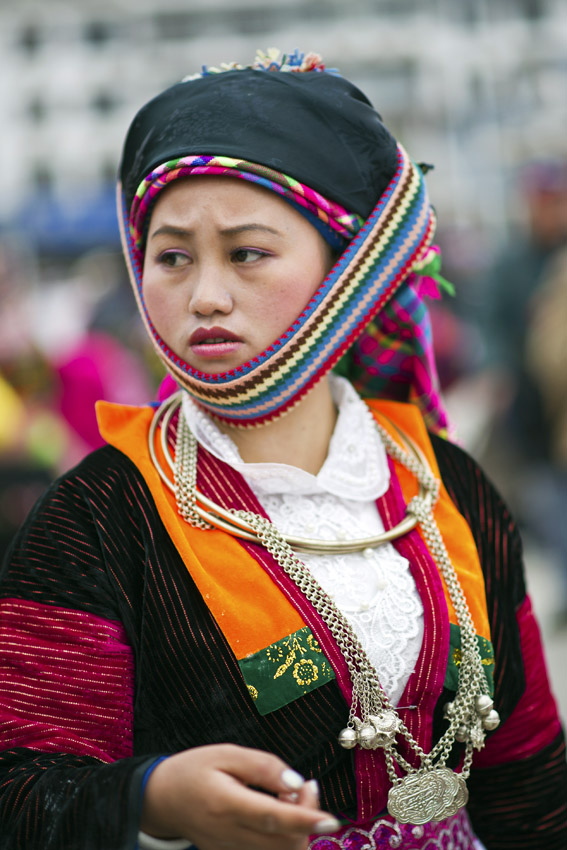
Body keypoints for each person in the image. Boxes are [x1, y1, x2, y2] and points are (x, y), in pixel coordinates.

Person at [0, 48, 565, 850]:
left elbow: (529, 768)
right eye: (170, 257)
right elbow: (20, 788)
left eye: (247, 252)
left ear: (348, 268)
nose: (203, 296)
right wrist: (147, 800)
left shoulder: (447, 485)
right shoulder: (98, 514)